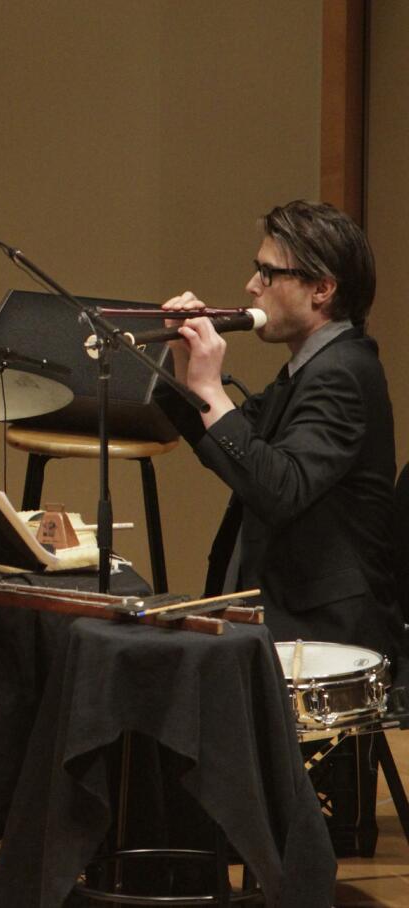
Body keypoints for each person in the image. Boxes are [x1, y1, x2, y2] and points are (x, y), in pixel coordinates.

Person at [154, 199, 403, 663]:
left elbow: (278, 487)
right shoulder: (312, 368)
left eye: (268, 274)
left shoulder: (342, 372)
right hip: (291, 621)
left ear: (322, 288)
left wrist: (210, 384)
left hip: (326, 635)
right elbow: (235, 445)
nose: (251, 286)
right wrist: (183, 364)